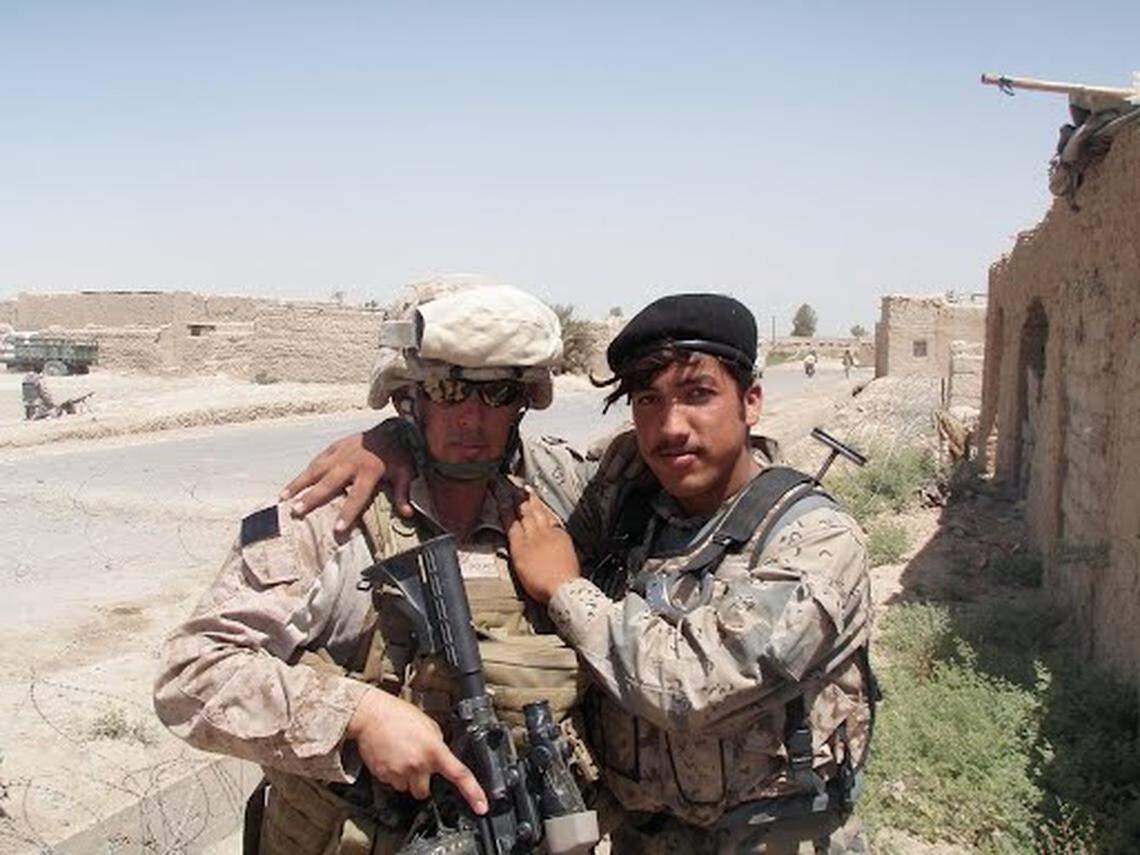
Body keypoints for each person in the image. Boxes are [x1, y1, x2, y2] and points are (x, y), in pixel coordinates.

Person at [289, 294, 877, 853]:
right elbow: (488, 443)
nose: (672, 425)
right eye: (648, 400)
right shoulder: (631, 491)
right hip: (643, 838)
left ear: (750, 402)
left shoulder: (814, 541)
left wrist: (565, 590)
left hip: (773, 837)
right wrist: (395, 437)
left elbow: (695, 686)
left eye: (698, 394)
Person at [153, 283, 600, 854]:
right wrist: (357, 715)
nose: (471, 417)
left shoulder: (554, 506)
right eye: (447, 390)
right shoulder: (333, 522)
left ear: (522, 403)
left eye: (498, 393)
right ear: (406, 399)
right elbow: (190, 675)